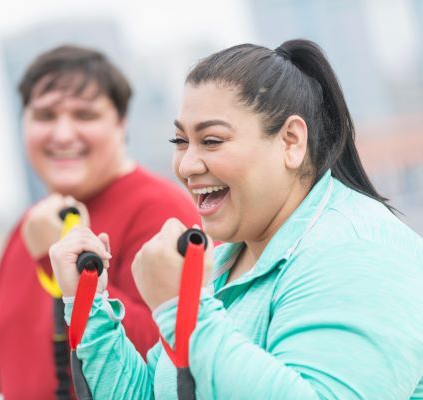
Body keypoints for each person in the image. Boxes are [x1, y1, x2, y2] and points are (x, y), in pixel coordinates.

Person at [49, 39, 423, 398]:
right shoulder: (224, 261)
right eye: (180, 142)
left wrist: (182, 309)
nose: (187, 165)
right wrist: (88, 303)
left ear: (291, 141)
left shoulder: (358, 251)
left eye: (211, 141)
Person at [0, 45, 200, 399]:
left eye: (84, 115)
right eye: (45, 116)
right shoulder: (33, 222)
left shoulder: (158, 209)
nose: (62, 134)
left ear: (121, 124)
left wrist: (57, 262)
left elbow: (172, 357)